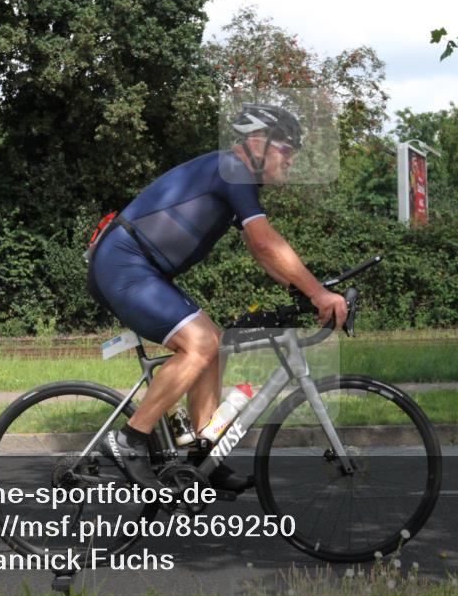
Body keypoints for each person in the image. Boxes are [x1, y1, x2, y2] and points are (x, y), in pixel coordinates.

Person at [86, 103, 347, 493]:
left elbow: (261, 252)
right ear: (258, 144)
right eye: (287, 149)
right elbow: (264, 241)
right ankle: (130, 438)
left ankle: (202, 456)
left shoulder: (233, 175)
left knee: (214, 343)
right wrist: (318, 293)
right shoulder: (233, 169)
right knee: (200, 344)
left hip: (141, 269)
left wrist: (304, 294)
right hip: (125, 266)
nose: (292, 159)